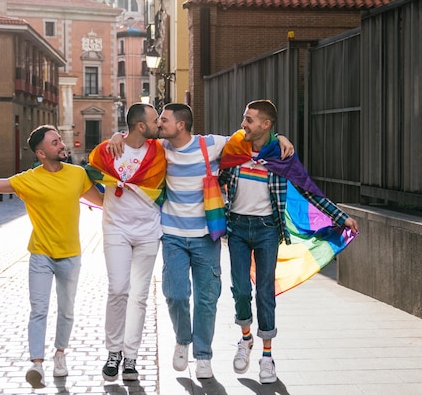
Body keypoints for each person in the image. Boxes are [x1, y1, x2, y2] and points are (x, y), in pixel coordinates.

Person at [108, 103, 293, 379]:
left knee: (207, 299)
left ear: (180, 125)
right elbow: (134, 142)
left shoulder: (212, 145)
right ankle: (183, 340)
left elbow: (252, 137)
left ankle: (203, 355)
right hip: (172, 235)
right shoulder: (160, 149)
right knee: (175, 295)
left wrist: (279, 138)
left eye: (164, 120)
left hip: (207, 236)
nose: (159, 124)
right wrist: (116, 136)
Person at [0, 125, 103, 389]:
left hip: (71, 254)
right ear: (41, 153)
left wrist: (118, 184)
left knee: (67, 310)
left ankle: (60, 353)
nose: (61, 145)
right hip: (40, 255)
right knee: (38, 310)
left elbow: (103, 202)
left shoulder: (78, 175)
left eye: (60, 140)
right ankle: (36, 364)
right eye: (55, 142)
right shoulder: (29, 180)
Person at [219, 100, 359, 384]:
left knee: (265, 293)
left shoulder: (282, 156)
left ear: (266, 125)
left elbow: (309, 191)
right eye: (244, 118)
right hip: (236, 228)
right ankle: (245, 340)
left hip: (268, 229)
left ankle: (267, 357)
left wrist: (340, 216)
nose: (243, 124)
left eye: (249, 120)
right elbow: (213, 173)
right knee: (241, 289)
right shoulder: (234, 148)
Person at [85, 103, 166, 382]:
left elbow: (195, 143)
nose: (160, 124)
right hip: (116, 229)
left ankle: (130, 357)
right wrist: (102, 205)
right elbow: (85, 177)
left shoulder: (160, 152)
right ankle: (113, 351)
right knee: (118, 289)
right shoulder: (107, 150)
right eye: (156, 120)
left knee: (139, 296)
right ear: (140, 126)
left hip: (148, 232)